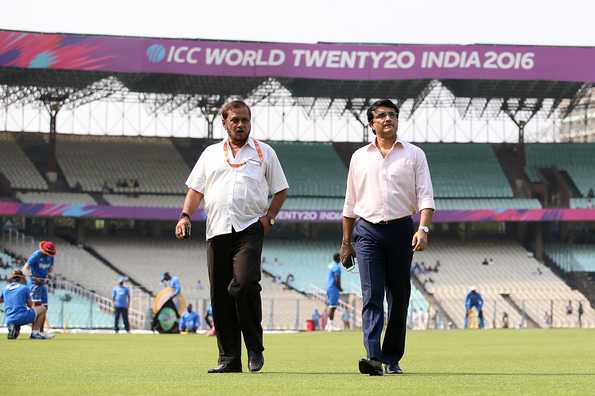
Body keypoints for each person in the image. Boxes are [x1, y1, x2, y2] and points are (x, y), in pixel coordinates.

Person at [175, 100, 288, 374]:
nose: (240, 125)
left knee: (245, 283)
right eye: (235, 120)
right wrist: (185, 215)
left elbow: (281, 190)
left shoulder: (265, 153)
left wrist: (269, 218)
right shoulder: (211, 154)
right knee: (220, 296)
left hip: (250, 228)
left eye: (245, 120)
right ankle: (228, 359)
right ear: (224, 123)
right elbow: (195, 190)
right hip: (217, 231)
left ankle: (255, 348)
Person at [340, 99, 435, 376]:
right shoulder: (359, 157)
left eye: (392, 115)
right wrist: (346, 242)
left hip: (402, 230)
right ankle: (373, 357)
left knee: (399, 295)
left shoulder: (414, 154)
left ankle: (392, 358)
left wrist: (423, 229)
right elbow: (350, 203)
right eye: (381, 116)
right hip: (367, 231)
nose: (388, 119)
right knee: (372, 295)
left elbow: (425, 195)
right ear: (371, 124)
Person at [1, 269, 48, 339]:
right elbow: (30, 305)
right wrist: (36, 303)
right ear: (22, 278)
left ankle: (13, 329)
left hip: (9, 319)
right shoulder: (24, 288)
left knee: (15, 333)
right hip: (22, 317)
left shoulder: (5, 288)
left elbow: (1, 300)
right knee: (42, 308)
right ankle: (35, 333)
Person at [22, 240, 56, 335]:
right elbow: (24, 269)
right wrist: (33, 278)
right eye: (47, 252)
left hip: (43, 283)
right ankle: (34, 331)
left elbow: (50, 269)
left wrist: (48, 277)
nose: (48, 254)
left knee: (44, 307)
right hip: (34, 284)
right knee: (37, 307)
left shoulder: (51, 256)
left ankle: (40, 331)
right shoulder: (36, 255)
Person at [325, 253, 342, 331]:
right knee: (333, 306)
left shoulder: (330, 265)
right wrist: (339, 287)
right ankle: (330, 325)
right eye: (340, 257)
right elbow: (337, 279)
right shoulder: (336, 267)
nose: (341, 258)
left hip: (329, 287)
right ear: (337, 258)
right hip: (333, 288)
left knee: (331, 306)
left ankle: (328, 324)